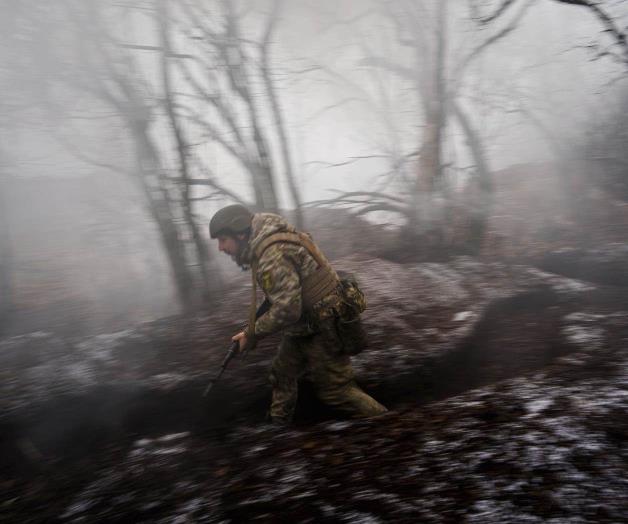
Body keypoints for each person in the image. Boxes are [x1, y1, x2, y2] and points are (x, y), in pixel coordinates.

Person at [209, 204, 387, 425]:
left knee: (337, 391)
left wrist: (252, 333)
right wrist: (250, 331)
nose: (220, 248)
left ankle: (389, 424)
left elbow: (287, 310)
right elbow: (282, 296)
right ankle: (278, 430)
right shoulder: (266, 242)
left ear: (240, 232)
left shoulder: (271, 255)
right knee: (282, 373)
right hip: (305, 323)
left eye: (223, 240)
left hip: (323, 323)